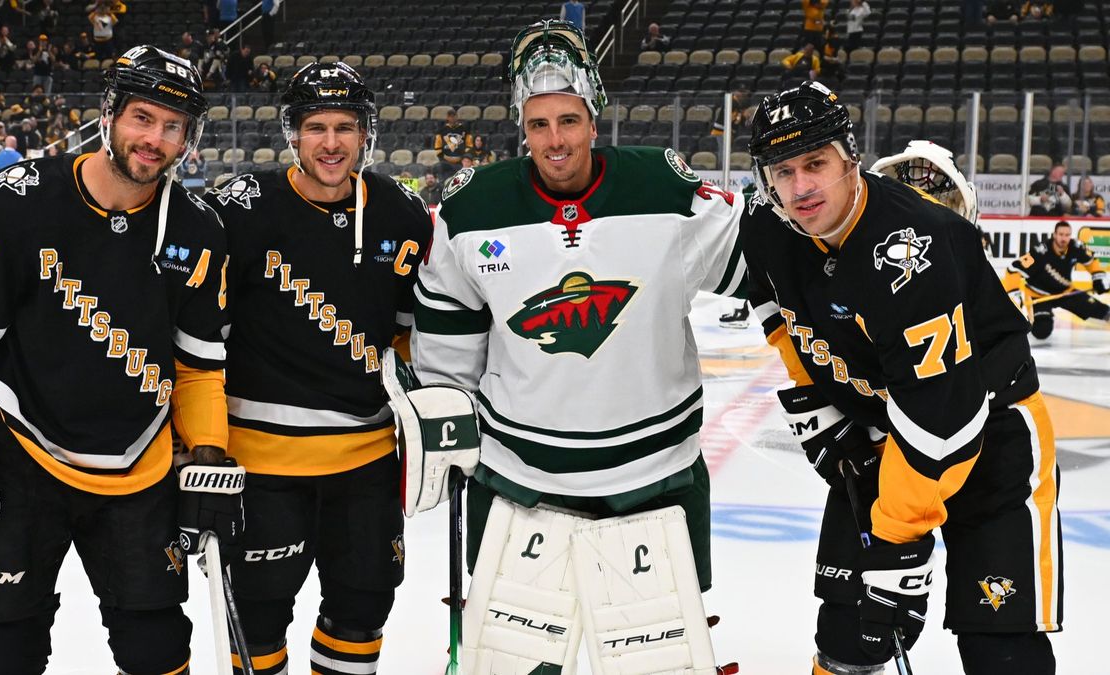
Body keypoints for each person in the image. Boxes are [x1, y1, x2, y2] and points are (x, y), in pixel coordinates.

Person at [409, 19, 746, 672]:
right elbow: (447, 338)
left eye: (568, 119)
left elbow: (760, 266)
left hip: (656, 474)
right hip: (519, 478)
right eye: (538, 124)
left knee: (658, 665)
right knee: (519, 664)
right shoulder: (472, 209)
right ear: (521, 126)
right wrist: (447, 422)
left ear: (594, 117)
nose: (554, 140)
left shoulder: (664, 192)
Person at [0, 45, 243, 675]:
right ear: (110, 113)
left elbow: (199, 363)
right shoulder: (16, 201)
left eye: (174, 127)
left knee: (158, 650)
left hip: (140, 469)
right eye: (143, 118)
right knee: (1, 652)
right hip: (22, 455)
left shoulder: (199, 229)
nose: (156, 139)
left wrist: (208, 453)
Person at [743, 81, 1061, 675]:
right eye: (783, 171)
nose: (801, 186)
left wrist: (895, 545)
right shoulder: (771, 229)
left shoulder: (914, 252)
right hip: (889, 433)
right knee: (848, 632)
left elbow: (943, 420)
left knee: (1000, 642)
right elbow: (776, 304)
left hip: (991, 436)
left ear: (850, 157)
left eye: (816, 163)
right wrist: (823, 411)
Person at [206, 61, 432, 675]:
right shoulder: (238, 210)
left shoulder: (402, 214)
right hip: (260, 465)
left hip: (365, 464)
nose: (331, 143)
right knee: (257, 615)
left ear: (366, 134)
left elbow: (417, 337)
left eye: (345, 127)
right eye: (315, 127)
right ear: (292, 134)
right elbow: (195, 333)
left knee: (362, 609)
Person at [1004, 220, 1109, 339]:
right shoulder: (1039, 252)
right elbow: (1013, 269)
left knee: (1104, 311)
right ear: (1054, 235)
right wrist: (1014, 295)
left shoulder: (1075, 247)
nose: (1064, 238)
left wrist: (1098, 278)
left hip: (1065, 292)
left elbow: (1091, 261)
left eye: (1067, 235)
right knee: (1042, 331)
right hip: (1038, 296)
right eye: (1061, 234)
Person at [433, 107, 471, 177]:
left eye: (454, 116)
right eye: (450, 116)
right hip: (445, 161)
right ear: (447, 118)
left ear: (457, 117)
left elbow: (469, 146)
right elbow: (437, 147)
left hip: (460, 162)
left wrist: (463, 157)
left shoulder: (464, 130)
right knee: (439, 167)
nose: (452, 118)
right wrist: (443, 157)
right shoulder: (441, 130)